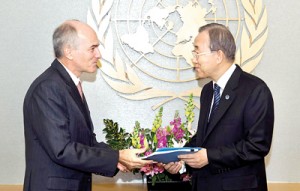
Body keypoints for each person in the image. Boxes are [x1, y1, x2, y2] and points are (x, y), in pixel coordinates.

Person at [23, 20, 152, 191]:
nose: (98, 54)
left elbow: (87, 142)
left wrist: (119, 158)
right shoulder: (48, 88)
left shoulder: (67, 85)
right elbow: (62, 150)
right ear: (68, 51)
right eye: (92, 48)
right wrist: (117, 157)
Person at [164, 23, 274, 191]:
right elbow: (204, 137)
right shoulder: (208, 91)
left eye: (197, 52)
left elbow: (257, 146)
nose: (194, 59)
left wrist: (210, 156)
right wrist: (180, 159)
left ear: (218, 55)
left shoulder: (255, 90)